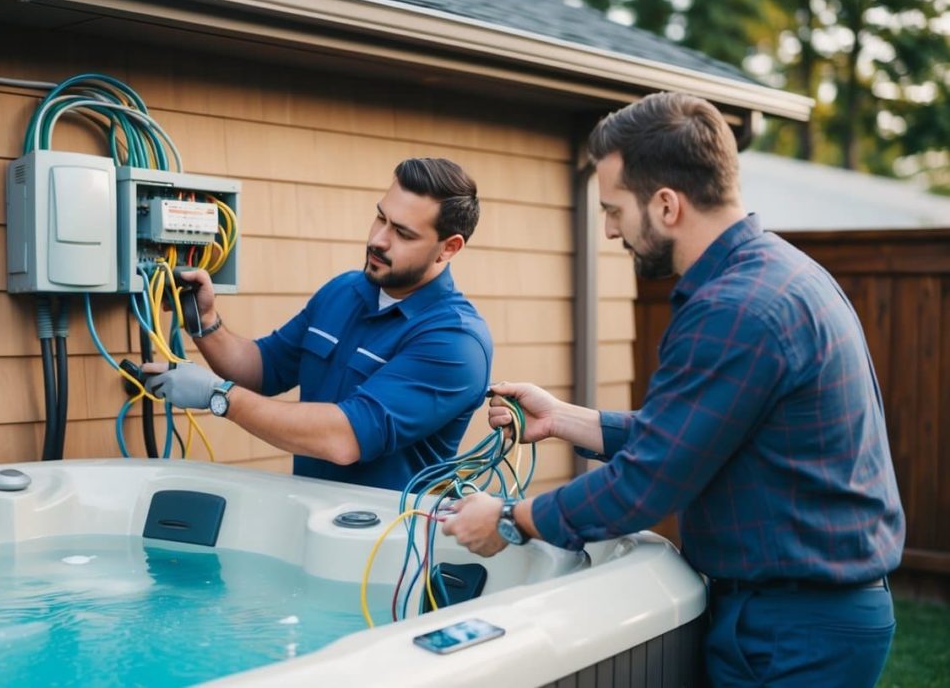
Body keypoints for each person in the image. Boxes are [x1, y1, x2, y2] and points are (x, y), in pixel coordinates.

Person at [441, 92, 904, 687]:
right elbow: (697, 436)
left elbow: (647, 483)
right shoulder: (778, 274)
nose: (609, 230)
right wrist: (561, 419)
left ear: (665, 205)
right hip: (801, 613)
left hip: (795, 628)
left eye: (613, 209)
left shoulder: (737, 310)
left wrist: (510, 517)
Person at [145, 158, 493, 491]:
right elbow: (262, 368)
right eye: (380, 218)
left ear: (448, 248)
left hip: (390, 542)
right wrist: (205, 322)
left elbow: (343, 437)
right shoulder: (345, 291)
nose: (378, 239)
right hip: (311, 525)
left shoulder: (455, 341)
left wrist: (217, 395)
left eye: (402, 233)